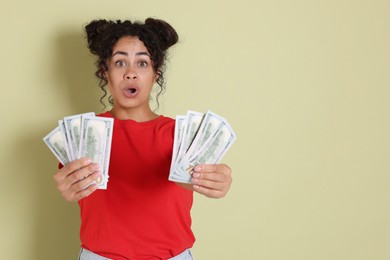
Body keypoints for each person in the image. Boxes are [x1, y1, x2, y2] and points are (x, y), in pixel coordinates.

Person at [53, 18, 233, 260]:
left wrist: (214, 181)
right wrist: (67, 187)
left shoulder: (180, 134)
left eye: (142, 63)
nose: (131, 73)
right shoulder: (82, 135)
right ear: (106, 72)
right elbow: (74, 188)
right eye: (120, 62)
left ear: (155, 74)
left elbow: (192, 180)